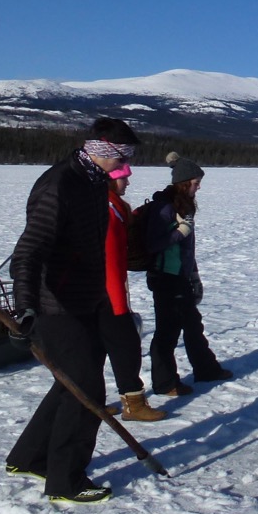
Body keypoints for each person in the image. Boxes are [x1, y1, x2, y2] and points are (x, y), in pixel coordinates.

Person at [5, 116, 140, 504]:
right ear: (104, 151)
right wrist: (25, 307)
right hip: (56, 305)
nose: (127, 164)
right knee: (86, 390)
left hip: (87, 299)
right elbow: (28, 252)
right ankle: (66, 481)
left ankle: (28, 457)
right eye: (124, 155)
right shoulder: (59, 185)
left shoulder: (94, 183)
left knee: (71, 382)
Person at [145, 151, 231, 396]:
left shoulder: (183, 206)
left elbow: (186, 249)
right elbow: (154, 243)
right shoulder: (164, 208)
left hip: (180, 276)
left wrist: (193, 275)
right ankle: (165, 382)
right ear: (183, 183)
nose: (199, 187)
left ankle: (206, 369)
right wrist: (179, 233)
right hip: (165, 278)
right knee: (167, 330)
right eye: (195, 183)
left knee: (193, 325)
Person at [101, 162, 165, 422]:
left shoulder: (114, 207)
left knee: (102, 347)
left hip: (108, 291)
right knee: (126, 347)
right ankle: (134, 404)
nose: (127, 182)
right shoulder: (106, 209)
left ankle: (91, 401)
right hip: (106, 293)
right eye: (123, 178)